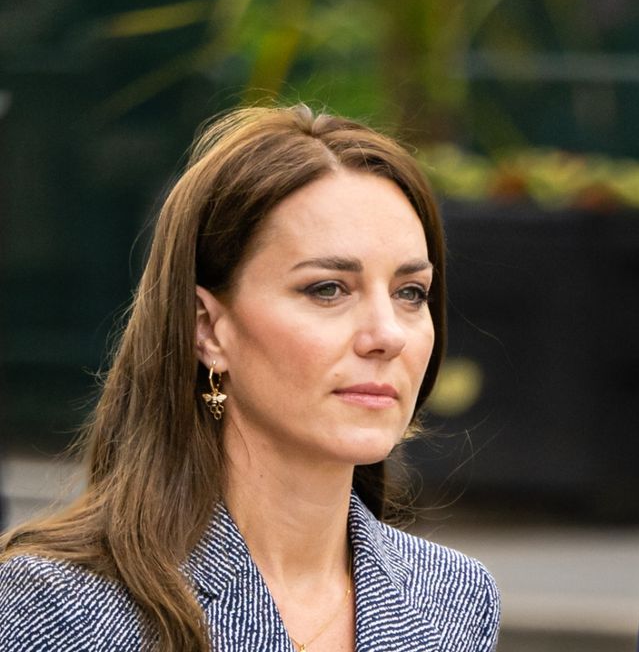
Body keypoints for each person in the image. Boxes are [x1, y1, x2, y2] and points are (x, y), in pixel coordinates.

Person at [0, 105, 500, 651]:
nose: (387, 335)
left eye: (411, 293)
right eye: (327, 289)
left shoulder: (455, 599)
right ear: (208, 330)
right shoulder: (60, 604)